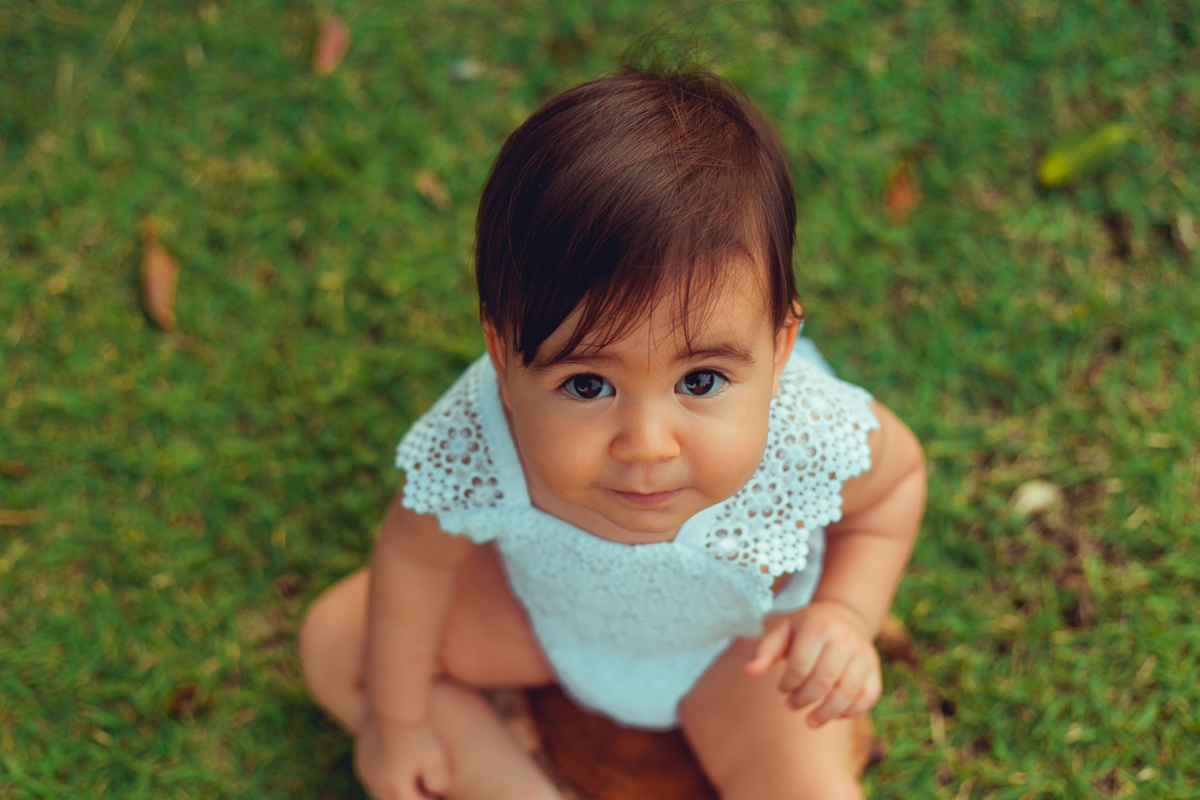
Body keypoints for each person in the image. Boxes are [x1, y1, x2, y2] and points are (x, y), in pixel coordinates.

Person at [298, 65, 926, 800]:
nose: (648, 444)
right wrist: (398, 723)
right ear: (504, 359)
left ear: (780, 347)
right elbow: (415, 557)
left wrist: (846, 612)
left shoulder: (808, 429)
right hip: (544, 624)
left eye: (700, 382)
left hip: (738, 650)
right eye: (588, 386)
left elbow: (895, 488)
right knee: (338, 643)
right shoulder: (484, 434)